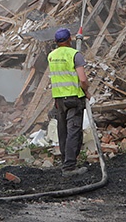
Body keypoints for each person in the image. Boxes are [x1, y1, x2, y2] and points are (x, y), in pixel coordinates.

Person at [48, 27, 89, 177]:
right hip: (73, 98)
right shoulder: (75, 55)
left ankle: (66, 160)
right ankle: (70, 167)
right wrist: (86, 91)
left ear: (56, 42)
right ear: (69, 39)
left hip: (59, 100)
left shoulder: (51, 56)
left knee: (63, 131)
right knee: (74, 131)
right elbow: (83, 79)